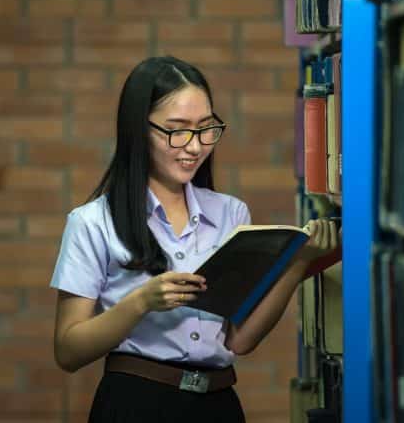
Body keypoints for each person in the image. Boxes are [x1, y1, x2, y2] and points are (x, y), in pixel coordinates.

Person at [51, 56, 340, 422]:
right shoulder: (92, 223)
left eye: (206, 129)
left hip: (217, 404)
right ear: (138, 130)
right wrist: (140, 302)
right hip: (135, 403)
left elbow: (240, 340)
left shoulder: (231, 215)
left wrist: (296, 265)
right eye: (178, 130)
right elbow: (68, 350)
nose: (195, 146)